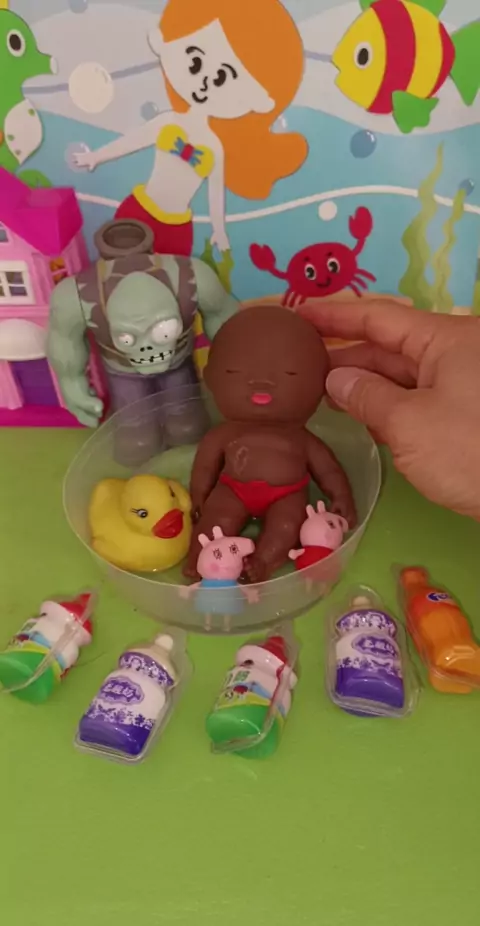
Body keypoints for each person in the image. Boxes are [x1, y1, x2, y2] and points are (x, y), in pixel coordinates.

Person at [299, 299, 480, 522]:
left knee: (287, 520)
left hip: (289, 500)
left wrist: (342, 498)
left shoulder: (301, 441)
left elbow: (328, 471)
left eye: (288, 373)